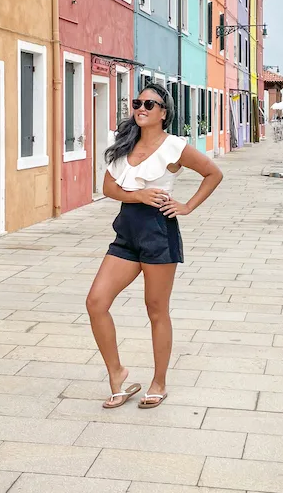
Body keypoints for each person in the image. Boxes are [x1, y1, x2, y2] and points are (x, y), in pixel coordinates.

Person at [86, 83, 223, 410]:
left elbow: (213, 174)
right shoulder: (124, 146)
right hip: (127, 232)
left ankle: (159, 381)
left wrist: (187, 206)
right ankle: (117, 374)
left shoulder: (175, 147)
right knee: (96, 302)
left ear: (164, 112)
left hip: (159, 231)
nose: (141, 108)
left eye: (150, 103)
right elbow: (108, 187)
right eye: (138, 103)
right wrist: (138, 196)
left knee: (156, 308)